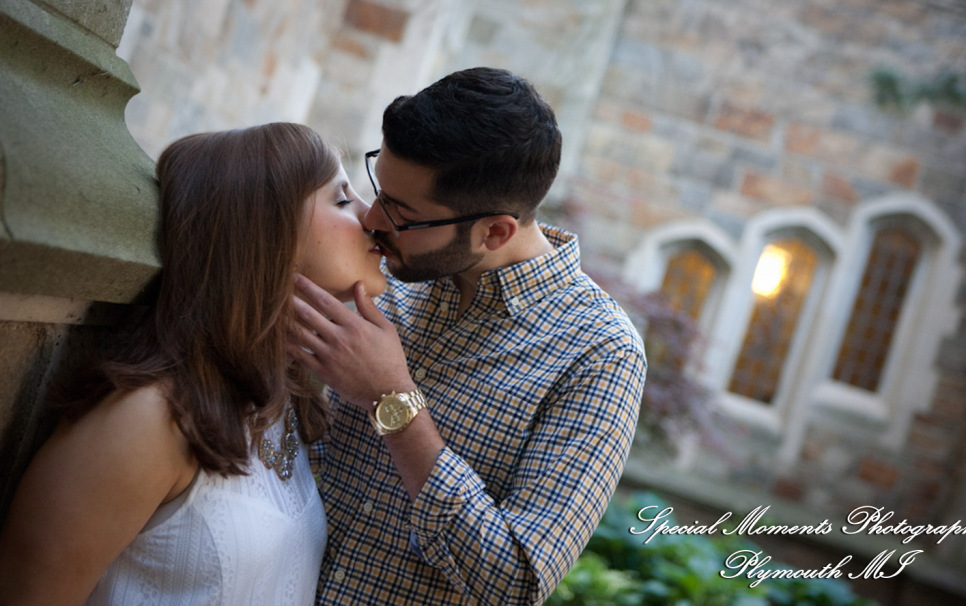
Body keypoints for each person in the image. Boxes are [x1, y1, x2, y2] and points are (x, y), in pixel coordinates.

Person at [290, 67, 647, 605]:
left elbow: (515, 584)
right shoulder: (378, 274)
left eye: (401, 213)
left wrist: (393, 401)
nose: (372, 218)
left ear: (495, 231)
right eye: (379, 189)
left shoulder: (600, 353)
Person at [0, 122, 387, 605]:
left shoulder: (279, 401)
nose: (372, 216)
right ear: (265, 230)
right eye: (343, 199)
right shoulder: (149, 417)